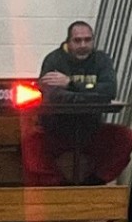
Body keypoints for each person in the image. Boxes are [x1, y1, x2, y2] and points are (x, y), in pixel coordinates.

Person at [36, 20, 120, 183]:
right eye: (77, 40)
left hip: (92, 130)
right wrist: (93, 93)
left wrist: (71, 84)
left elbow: (110, 90)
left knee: (127, 138)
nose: (83, 45)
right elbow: (54, 96)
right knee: (30, 146)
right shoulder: (53, 60)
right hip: (56, 131)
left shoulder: (102, 60)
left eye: (88, 40)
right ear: (68, 41)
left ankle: (94, 183)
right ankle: (59, 186)